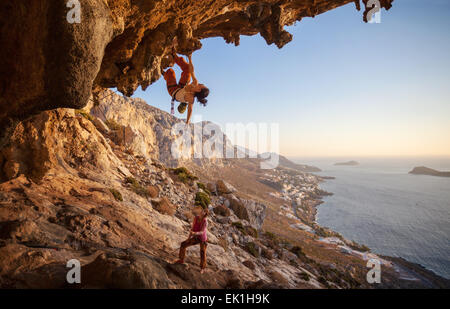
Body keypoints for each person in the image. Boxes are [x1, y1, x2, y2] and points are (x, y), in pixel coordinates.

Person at [163, 50, 210, 124]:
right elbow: (192, 70)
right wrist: (190, 58)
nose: (201, 83)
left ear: (199, 89)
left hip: (173, 91)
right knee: (187, 71)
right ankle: (174, 55)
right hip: (182, 87)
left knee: (170, 72)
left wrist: (187, 122)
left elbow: (190, 110)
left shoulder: (190, 98)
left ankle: (163, 73)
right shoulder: (195, 83)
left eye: (202, 85)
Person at [174, 205, 208, 273]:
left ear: (205, 214)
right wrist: (188, 238)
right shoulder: (196, 218)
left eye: (204, 213)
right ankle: (181, 260)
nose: (202, 213)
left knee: (202, 252)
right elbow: (192, 229)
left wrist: (194, 233)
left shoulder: (205, 222)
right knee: (183, 244)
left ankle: (202, 268)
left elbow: (201, 232)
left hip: (202, 239)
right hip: (195, 236)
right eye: (202, 211)